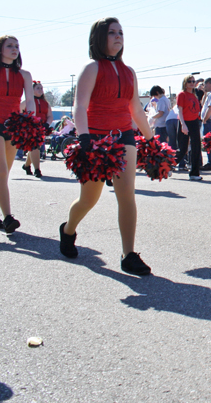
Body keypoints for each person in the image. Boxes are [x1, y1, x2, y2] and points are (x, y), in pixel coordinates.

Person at [58, 18, 154, 275]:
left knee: (127, 196)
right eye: (111, 33)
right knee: (89, 199)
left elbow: (135, 108)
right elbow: (79, 105)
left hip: (124, 137)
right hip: (97, 141)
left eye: (121, 32)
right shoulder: (91, 69)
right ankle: (68, 230)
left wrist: (150, 138)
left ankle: (128, 254)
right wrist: (85, 137)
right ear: (99, 38)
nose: (117, 36)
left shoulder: (129, 71)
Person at [0, 35, 35, 234]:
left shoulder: (24, 74)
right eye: (9, 45)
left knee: (4, 173)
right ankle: (8, 217)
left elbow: (30, 102)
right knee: (0, 171)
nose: (14, 49)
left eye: (17, 46)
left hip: (13, 127)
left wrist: (30, 121)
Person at [21, 81, 54, 178]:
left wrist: (47, 125)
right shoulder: (27, 101)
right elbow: (18, 110)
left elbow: (49, 116)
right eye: (38, 88)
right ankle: (37, 170)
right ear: (32, 90)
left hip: (42, 128)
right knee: (35, 147)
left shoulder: (46, 103)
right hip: (30, 128)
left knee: (34, 147)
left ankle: (26, 166)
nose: (40, 90)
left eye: (41, 88)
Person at [176, 75, 203, 180]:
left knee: (196, 147)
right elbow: (180, 110)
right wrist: (183, 124)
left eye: (193, 81)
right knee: (183, 149)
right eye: (189, 81)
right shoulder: (182, 94)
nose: (192, 83)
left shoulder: (195, 94)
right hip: (185, 121)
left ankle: (194, 173)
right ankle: (168, 165)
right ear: (185, 83)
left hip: (194, 122)